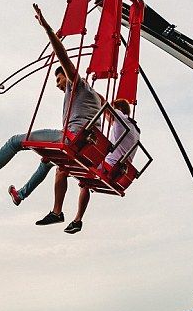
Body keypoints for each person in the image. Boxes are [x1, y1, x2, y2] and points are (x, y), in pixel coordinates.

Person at [0, 4, 102, 235]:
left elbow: (62, 55)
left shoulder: (77, 84)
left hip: (72, 139)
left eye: (59, 79)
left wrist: (47, 29)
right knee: (46, 161)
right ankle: (22, 194)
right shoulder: (96, 97)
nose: (58, 84)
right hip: (85, 146)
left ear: (66, 76)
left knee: (15, 141)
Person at [23, 98, 140, 235]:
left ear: (118, 109)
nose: (108, 119)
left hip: (107, 167)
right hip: (117, 174)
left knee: (61, 170)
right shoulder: (136, 130)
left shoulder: (120, 117)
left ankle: (57, 212)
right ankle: (77, 221)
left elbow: (104, 103)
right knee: (85, 183)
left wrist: (92, 95)